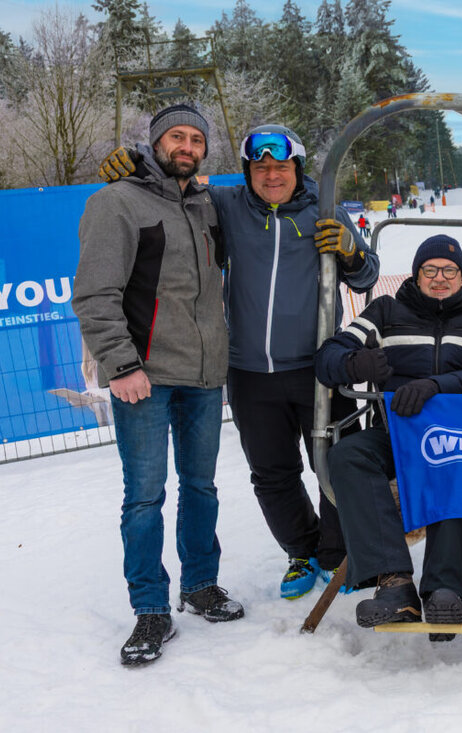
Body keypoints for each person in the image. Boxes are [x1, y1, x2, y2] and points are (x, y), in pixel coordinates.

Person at [97, 125, 381, 601]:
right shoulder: (224, 206)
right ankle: (302, 551)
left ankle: (337, 555)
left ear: (298, 170)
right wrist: (134, 163)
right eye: (261, 167)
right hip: (248, 371)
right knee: (272, 475)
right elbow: (173, 190)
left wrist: (351, 253)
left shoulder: (324, 211)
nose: (272, 175)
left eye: (282, 166)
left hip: (317, 367)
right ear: (248, 172)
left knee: (334, 465)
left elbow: (367, 274)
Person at [75, 103, 244, 667]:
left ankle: (199, 585)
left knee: (202, 488)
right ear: (155, 142)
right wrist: (121, 366)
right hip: (143, 378)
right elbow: (95, 295)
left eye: (197, 138)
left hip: (202, 377)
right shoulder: (116, 202)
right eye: (177, 136)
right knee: (144, 497)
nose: (187, 146)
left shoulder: (207, 206)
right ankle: (150, 607)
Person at [314, 235, 462, 640]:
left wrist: (436, 386)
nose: (440, 278)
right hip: (396, 434)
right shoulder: (386, 310)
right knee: (348, 456)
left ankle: (444, 589)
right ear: (417, 274)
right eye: (430, 270)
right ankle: (394, 582)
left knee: (457, 466)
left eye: (449, 271)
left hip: (456, 436)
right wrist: (354, 361)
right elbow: (328, 356)